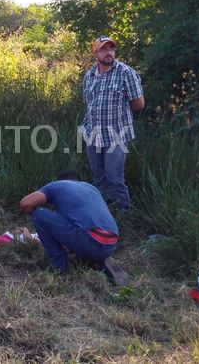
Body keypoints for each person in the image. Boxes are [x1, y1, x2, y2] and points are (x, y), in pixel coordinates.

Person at [19, 171, 129, 285]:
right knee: (78, 227)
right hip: (110, 243)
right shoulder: (91, 188)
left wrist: (35, 215)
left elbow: (26, 203)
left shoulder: (56, 185)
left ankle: (59, 267)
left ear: (59, 180)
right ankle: (98, 261)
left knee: (39, 215)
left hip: (88, 239)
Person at [80, 36, 144, 212]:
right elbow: (88, 101)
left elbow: (139, 104)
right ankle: (102, 214)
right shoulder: (89, 75)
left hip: (117, 134)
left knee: (115, 178)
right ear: (95, 52)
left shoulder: (125, 73)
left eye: (112, 49)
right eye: (104, 49)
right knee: (98, 178)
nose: (109, 53)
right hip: (92, 133)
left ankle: (124, 217)